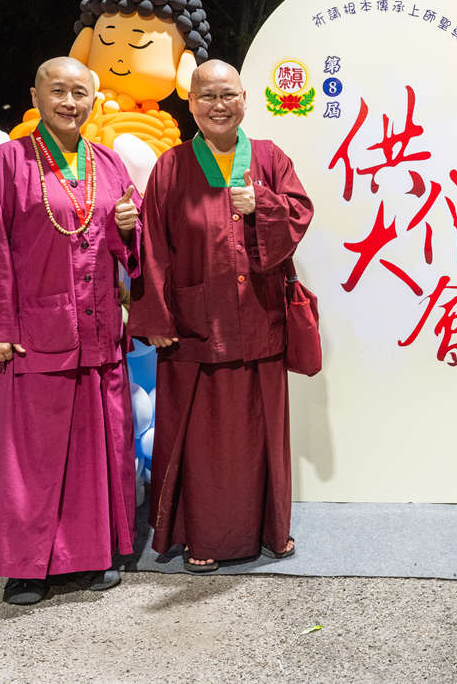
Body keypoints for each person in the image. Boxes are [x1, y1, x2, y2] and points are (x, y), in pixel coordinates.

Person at [0, 56, 142, 605]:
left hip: (99, 329)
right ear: (36, 97)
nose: (69, 102)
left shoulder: (108, 163)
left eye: (79, 93)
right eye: (58, 91)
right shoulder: (8, 161)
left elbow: (132, 247)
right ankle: (29, 567)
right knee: (34, 458)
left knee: (98, 450)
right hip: (35, 331)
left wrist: (129, 230)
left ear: (93, 100)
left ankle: (96, 553)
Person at [129, 59, 313, 572]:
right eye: (207, 96)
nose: (218, 105)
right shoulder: (172, 166)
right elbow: (152, 243)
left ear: (244, 99)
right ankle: (203, 537)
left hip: (259, 318)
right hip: (196, 325)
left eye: (227, 94)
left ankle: (271, 531)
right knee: (203, 440)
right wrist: (157, 318)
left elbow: (300, 214)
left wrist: (263, 205)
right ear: (191, 104)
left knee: (262, 432)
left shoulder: (269, 158)